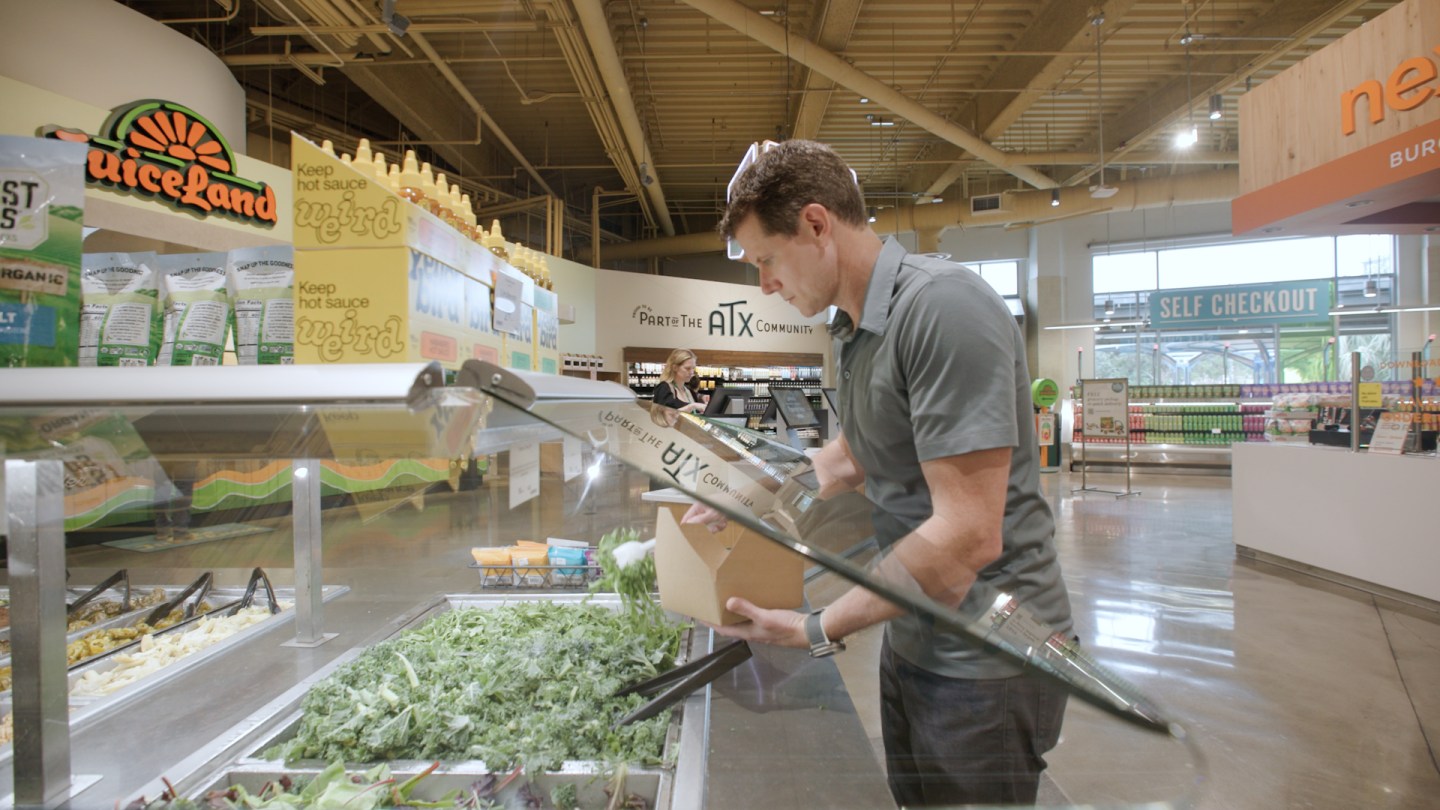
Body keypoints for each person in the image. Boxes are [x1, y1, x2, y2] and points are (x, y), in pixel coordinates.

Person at [696, 139, 1074, 807]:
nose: (766, 285)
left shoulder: (942, 310)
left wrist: (814, 628)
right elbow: (848, 458)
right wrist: (748, 496)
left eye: (767, 261)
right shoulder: (857, 329)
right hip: (918, 637)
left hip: (988, 659)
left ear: (816, 224)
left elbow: (968, 537)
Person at [650, 348, 708, 414]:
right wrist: (692, 406)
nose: (692, 372)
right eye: (687, 368)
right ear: (675, 368)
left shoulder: (689, 391)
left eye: (693, 368)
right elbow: (662, 415)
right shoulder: (664, 388)